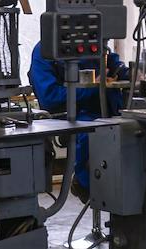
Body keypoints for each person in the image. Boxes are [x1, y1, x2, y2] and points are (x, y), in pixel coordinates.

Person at [28, 41, 130, 203]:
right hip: (73, 114)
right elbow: (49, 96)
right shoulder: (46, 50)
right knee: (90, 135)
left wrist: (127, 72)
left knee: (135, 130)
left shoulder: (94, 43)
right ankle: (85, 185)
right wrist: (92, 87)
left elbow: (111, 62)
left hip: (108, 111)